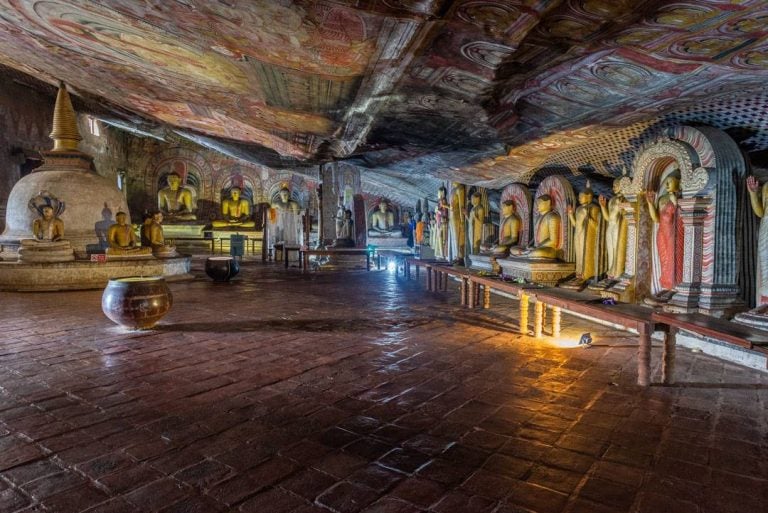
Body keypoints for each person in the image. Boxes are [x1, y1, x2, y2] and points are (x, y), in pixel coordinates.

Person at [646, 172, 682, 302]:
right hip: (662, 232)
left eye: (670, 181)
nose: (666, 184)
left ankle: (675, 287)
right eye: (666, 182)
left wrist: (675, 201)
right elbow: (656, 219)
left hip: (674, 233)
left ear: (678, 183)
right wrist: (650, 204)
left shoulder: (680, 198)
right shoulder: (662, 199)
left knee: (673, 259)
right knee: (664, 259)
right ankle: (666, 286)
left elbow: (681, 215)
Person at [566, 182, 602, 283]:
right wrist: (570, 214)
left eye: (581, 196)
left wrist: (588, 216)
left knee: (586, 254)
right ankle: (578, 273)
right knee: (579, 255)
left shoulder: (594, 208)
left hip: (589, 236)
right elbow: (575, 224)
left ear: (589, 196)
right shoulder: (578, 209)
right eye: (579, 197)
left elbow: (597, 226)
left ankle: (587, 274)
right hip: (578, 235)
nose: (579, 198)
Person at [510, 195, 561, 259]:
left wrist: (537, 247)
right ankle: (526, 253)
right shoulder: (538, 218)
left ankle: (525, 254)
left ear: (548, 203)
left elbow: (553, 241)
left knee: (537, 252)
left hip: (548, 248)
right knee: (513, 249)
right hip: (536, 247)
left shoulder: (552, 217)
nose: (538, 205)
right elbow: (535, 237)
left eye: (540, 203)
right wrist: (529, 245)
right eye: (537, 203)